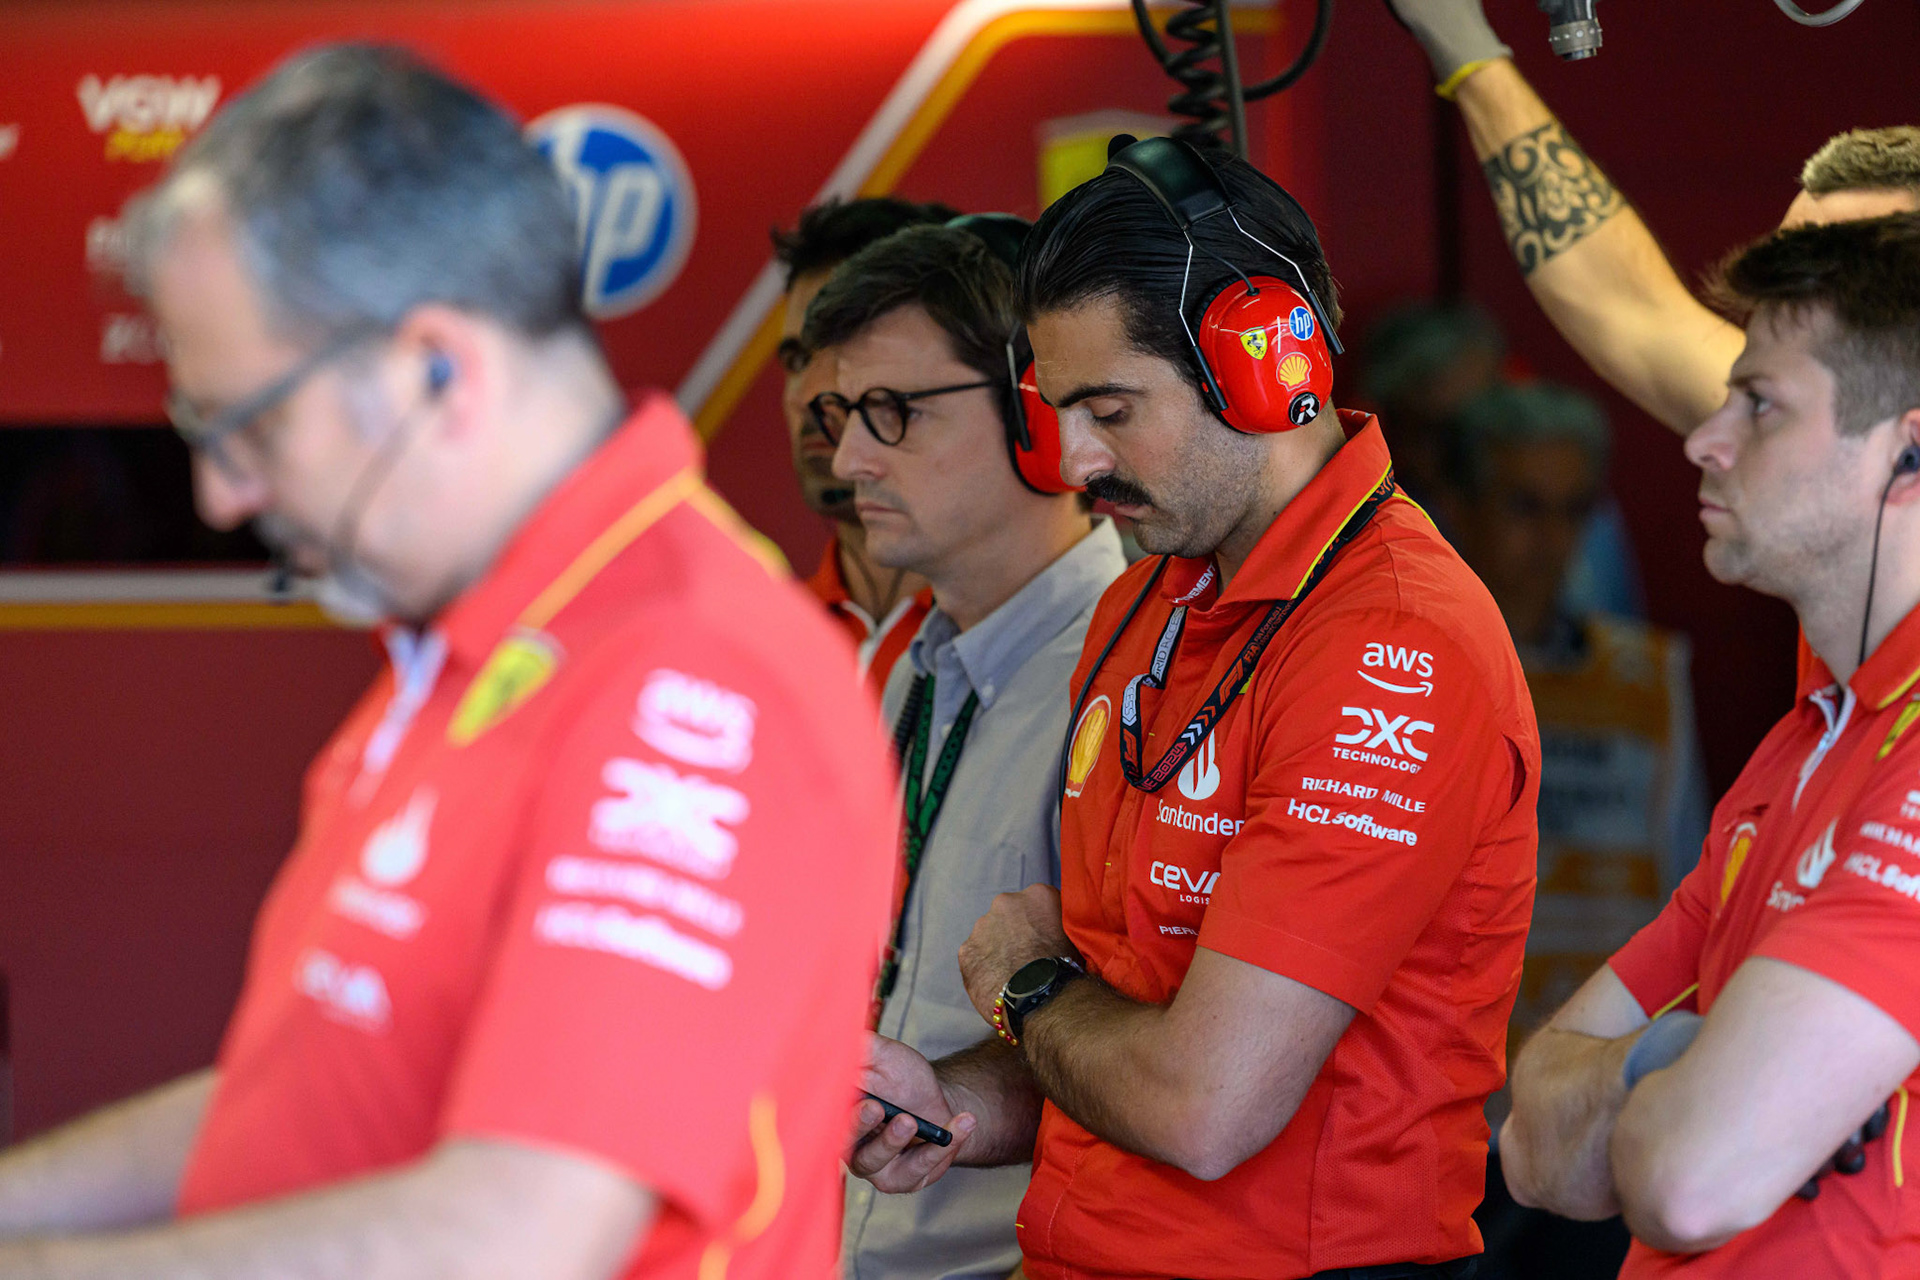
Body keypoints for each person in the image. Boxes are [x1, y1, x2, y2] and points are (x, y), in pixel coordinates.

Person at [0, 45, 898, 1280]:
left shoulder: (694, 681)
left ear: (439, 369)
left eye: (250, 425)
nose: (222, 494)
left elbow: (518, 1231)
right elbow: (303, 1092)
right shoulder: (471, 646)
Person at [847, 136, 1541, 1280]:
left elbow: (1202, 1102)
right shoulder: (1145, 603)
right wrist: (949, 1094)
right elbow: (1116, 1023)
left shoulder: (1394, 643)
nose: (1076, 461)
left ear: (1267, 366)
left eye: (1111, 408)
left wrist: (1026, 980)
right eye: (1058, 412)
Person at [1499, 213, 1920, 1274]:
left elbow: (1691, 1182)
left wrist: (1648, 1084)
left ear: (1907, 451)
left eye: (1761, 403)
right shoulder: (1803, 742)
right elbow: (1531, 1139)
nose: (1704, 438)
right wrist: (1679, 1060)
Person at [803, 221, 1127, 1279]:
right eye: (843, 416)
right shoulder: (914, 666)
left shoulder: (1131, 683)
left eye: (893, 412)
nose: (848, 460)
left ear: (1040, 414)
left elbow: (1148, 1046)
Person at [1441, 382, 1708, 1278]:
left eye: (1572, 510)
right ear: (1461, 506)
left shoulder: (1649, 677)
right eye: (1524, 505)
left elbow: (1687, 883)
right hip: (1448, 1108)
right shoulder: (1409, 668)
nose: (1550, 539)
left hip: (1596, 1101)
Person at [1387, 0, 1920, 436]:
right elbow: (1629, 306)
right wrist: (1464, 45)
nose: (1708, 449)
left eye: (1815, 288)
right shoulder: (1787, 413)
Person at [773, 198, 956, 693]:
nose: (808, 394)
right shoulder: (767, 634)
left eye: (845, 354)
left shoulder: (1007, 625)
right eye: (796, 360)